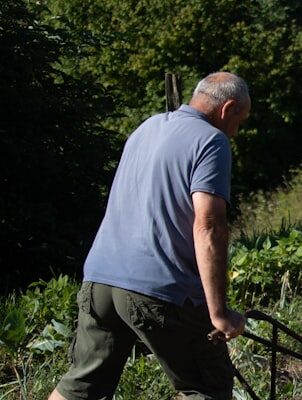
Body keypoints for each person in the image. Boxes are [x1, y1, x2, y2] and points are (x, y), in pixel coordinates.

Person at [50, 72, 251, 400]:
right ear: (227, 108)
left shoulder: (147, 127)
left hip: (101, 280)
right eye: (239, 121)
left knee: (80, 387)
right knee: (208, 387)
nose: (235, 131)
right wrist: (218, 312)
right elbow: (209, 224)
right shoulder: (211, 141)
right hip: (159, 287)